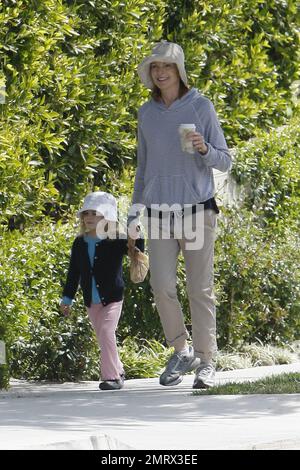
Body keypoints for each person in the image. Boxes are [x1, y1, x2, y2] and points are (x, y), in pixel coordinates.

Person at [130, 41, 232, 389]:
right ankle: (182, 349)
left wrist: (204, 148)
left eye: (167, 67)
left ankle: (206, 361)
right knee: (161, 286)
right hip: (159, 213)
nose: (160, 73)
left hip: (197, 211)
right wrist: (134, 213)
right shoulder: (146, 113)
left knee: (199, 289)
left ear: (179, 71)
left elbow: (225, 159)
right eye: (155, 67)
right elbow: (142, 166)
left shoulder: (201, 106)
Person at [60, 191, 144, 391]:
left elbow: (137, 250)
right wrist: (67, 298)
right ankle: (119, 369)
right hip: (91, 301)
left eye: (94, 213)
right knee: (104, 337)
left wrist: (137, 234)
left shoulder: (116, 240)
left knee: (107, 332)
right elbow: (74, 273)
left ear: (107, 217)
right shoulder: (79, 243)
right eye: (86, 213)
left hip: (113, 297)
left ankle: (112, 377)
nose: (88, 217)